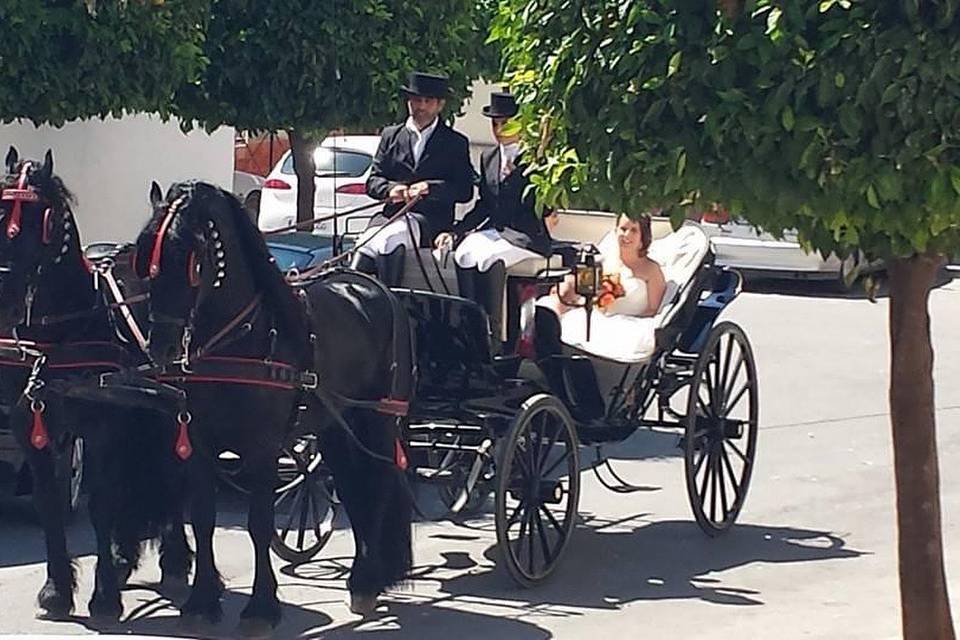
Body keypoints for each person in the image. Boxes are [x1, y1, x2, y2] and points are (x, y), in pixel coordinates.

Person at [434, 90, 555, 348]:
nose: (499, 129)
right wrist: (457, 231)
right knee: (465, 251)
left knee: (490, 257)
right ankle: (472, 323)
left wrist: (522, 173)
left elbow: (544, 206)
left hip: (525, 235)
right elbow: (485, 205)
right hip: (497, 231)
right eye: (495, 123)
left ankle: (495, 331)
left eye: (505, 123)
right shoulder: (489, 157)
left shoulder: (536, 158)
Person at [352, 71, 474, 286]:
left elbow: (464, 190)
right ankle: (352, 298)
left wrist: (430, 188)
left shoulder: (455, 142)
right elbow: (373, 181)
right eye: (417, 100)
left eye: (428, 101)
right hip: (391, 216)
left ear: (440, 105)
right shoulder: (391, 135)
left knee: (390, 240)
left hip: (429, 221)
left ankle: (390, 304)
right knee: (365, 243)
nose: (422, 106)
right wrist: (390, 190)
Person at [538, 213, 667, 361]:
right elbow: (583, 290)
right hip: (598, 316)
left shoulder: (652, 269)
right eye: (623, 229)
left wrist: (623, 320)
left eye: (634, 230)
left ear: (643, 237)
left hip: (631, 324)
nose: (626, 235)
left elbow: (654, 309)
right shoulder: (603, 261)